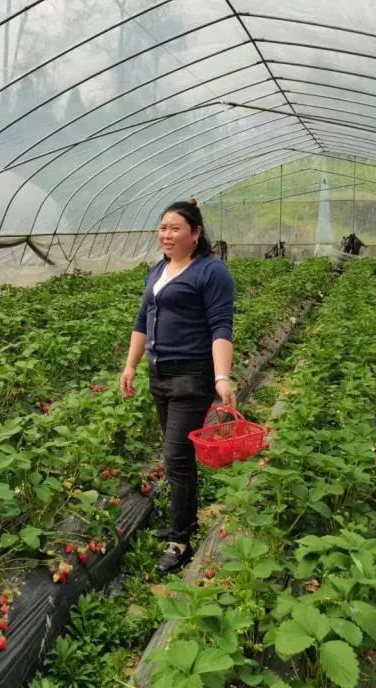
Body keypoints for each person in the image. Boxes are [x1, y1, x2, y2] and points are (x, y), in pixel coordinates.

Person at [119, 201, 235, 573]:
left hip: (191, 375)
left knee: (176, 457)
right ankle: (184, 520)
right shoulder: (159, 270)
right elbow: (142, 319)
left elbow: (221, 327)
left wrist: (221, 377)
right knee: (176, 456)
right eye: (162, 228)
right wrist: (130, 365)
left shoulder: (211, 272)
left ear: (195, 234)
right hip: (160, 374)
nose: (166, 235)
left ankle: (180, 540)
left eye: (175, 229)